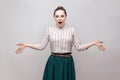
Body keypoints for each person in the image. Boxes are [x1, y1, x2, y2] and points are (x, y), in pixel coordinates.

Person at [16, 6, 105, 80]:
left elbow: (79, 47)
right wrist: (26, 45)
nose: (59, 18)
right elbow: (41, 46)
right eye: (57, 16)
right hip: (53, 62)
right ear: (54, 17)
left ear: (66, 17)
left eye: (62, 16)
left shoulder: (72, 30)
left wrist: (93, 43)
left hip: (67, 63)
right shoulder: (50, 30)